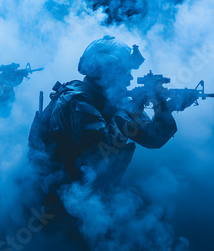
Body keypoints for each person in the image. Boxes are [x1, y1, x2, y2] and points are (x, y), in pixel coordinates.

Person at [26, 35, 196, 249]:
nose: (129, 79)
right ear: (106, 72)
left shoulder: (112, 102)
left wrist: (164, 107)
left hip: (85, 197)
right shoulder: (76, 100)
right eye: (124, 72)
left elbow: (153, 139)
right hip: (55, 205)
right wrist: (134, 106)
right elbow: (102, 149)